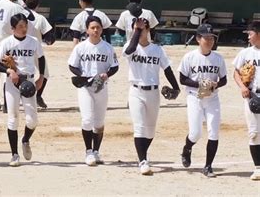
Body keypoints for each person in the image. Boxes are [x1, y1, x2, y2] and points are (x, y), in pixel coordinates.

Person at [123, 18, 180, 175]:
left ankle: (141, 154)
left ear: (148, 30)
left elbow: (167, 69)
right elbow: (130, 50)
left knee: (150, 131)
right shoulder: (130, 45)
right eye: (137, 29)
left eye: (143, 29)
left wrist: (176, 87)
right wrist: (136, 30)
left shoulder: (157, 50)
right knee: (139, 127)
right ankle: (143, 160)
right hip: (136, 92)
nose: (140, 32)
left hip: (153, 93)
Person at [0, 13, 45, 167]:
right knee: (13, 118)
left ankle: (25, 140)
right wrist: (9, 71)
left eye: (25, 26)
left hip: (28, 82)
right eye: (20, 26)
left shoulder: (33, 41)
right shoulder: (6, 43)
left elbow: (41, 59)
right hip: (11, 83)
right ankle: (14, 154)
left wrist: (41, 76)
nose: (24, 29)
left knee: (32, 120)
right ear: (12, 28)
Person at [68, 16, 119, 166]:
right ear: (87, 30)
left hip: (100, 84)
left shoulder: (108, 47)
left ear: (102, 29)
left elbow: (115, 66)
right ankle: (88, 151)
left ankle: (96, 151)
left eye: (98, 27)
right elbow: (72, 65)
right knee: (87, 119)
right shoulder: (81, 47)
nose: (95, 30)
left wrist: (107, 74)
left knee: (99, 122)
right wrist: (81, 76)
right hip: (85, 85)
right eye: (92, 28)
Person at [179, 24, 227, 178]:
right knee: (196, 133)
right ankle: (187, 148)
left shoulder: (218, 58)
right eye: (206, 37)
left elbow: (224, 79)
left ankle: (208, 166)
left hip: (212, 99)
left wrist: (216, 84)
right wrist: (200, 85)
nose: (210, 40)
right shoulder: (189, 57)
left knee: (214, 133)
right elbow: (182, 79)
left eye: (212, 38)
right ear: (198, 39)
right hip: (195, 97)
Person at [232, 21, 260, 180]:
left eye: (250, 33)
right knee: (254, 133)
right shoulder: (245, 53)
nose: (248, 36)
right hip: (252, 95)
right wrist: (242, 87)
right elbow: (236, 72)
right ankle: (258, 167)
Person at [24, 0, 55, 109]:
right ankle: (38, 96)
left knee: (21, 73)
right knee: (44, 73)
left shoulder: (22, 16)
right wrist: (49, 41)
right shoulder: (40, 18)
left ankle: (13, 100)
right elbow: (49, 35)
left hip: (21, 48)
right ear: (37, 6)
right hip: (36, 49)